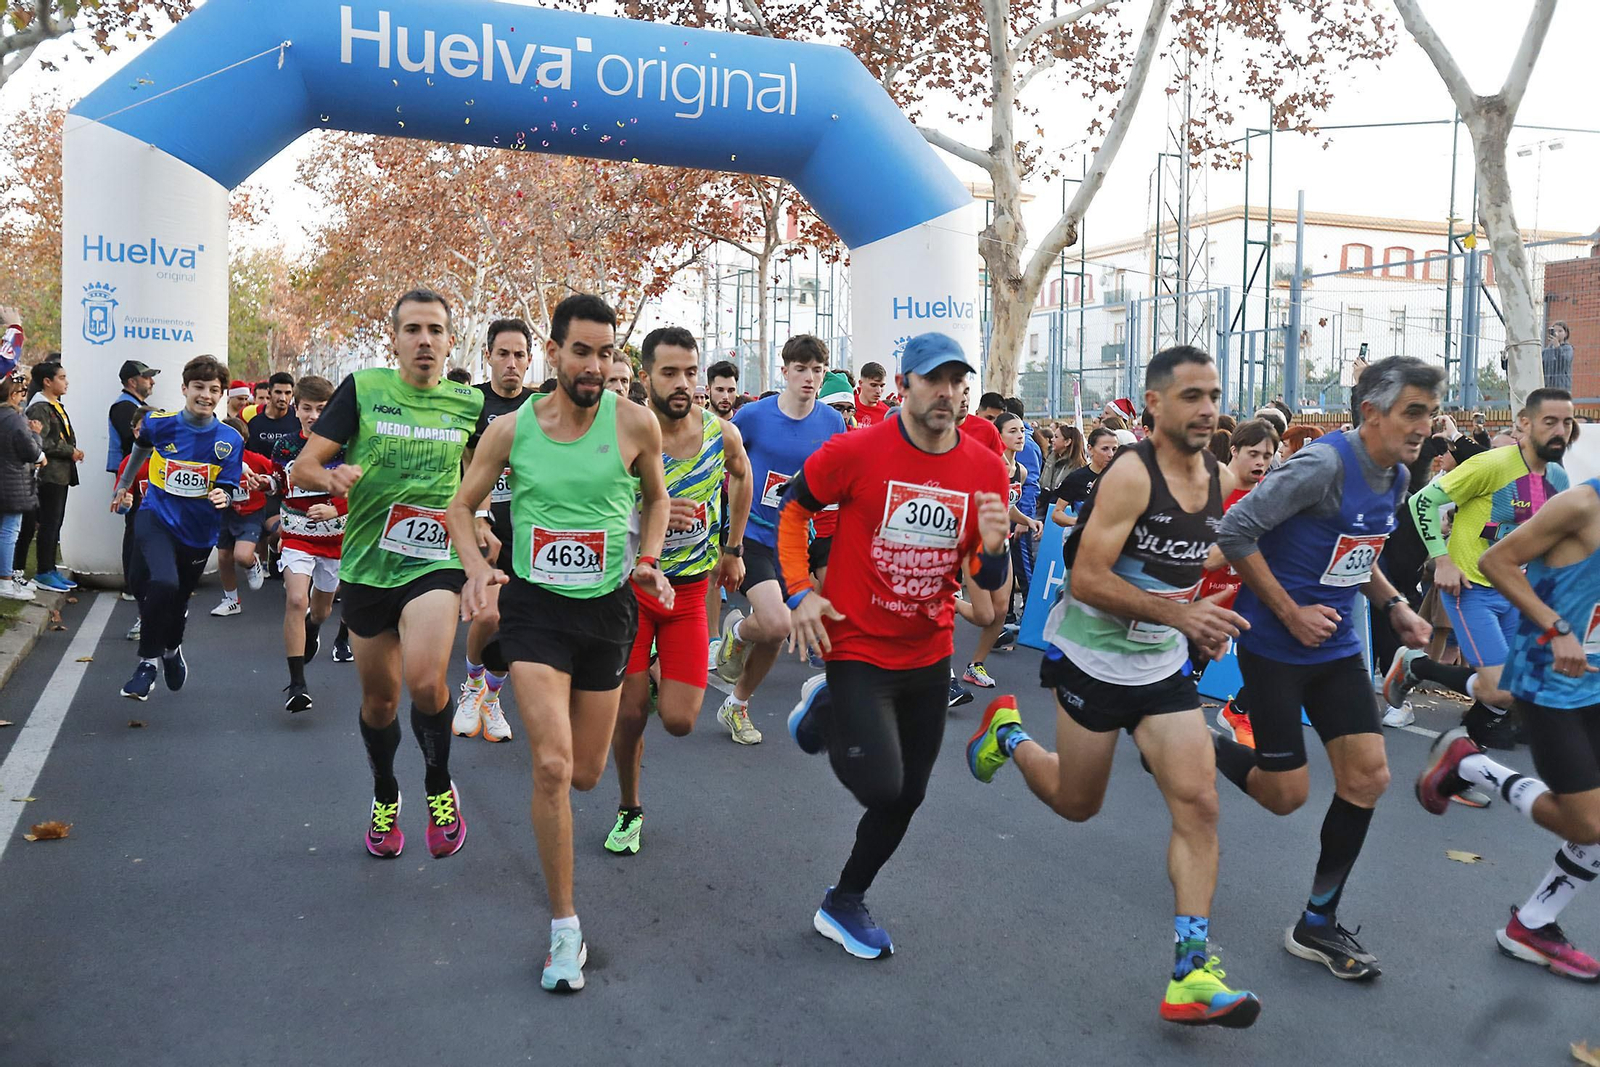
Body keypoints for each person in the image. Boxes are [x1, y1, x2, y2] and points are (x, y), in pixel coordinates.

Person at [967, 345, 1262, 1028]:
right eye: (1191, 394)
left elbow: (1196, 558)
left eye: (1213, 393)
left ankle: (1191, 968)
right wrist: (1181, 613)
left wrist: (1201, 618)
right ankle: (1008, 733)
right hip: (1092, 657)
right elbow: (1087, 578)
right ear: (1154, 404)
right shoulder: (1131, 476)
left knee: (1200, 801)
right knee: (1078, 803)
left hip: (1159, 665)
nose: (1208, 407)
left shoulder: (1219, 476)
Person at [446, 292, 671, 993]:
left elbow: (657, 498)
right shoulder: (512, 430)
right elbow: (461, 503)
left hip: (605, 613)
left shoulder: (635, 423)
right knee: (549, 766)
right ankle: (564, 929)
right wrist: (481, 568)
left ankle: (489, 661)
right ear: (555, 352)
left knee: (585, 774)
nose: (596, 365)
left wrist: (648, 558)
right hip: (536, 609)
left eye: (608, 353)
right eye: (583, 351)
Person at [1209, 356, 1440, 981]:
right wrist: (1289, 612)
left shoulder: (1393, 476)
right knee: (1285, 797)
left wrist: (1393, 606)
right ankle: (1196, 745)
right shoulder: (1322, 465)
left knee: (1367, 778)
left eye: (1431, 412)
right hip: (1278, 649)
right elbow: (1235, 532)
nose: (1426, 425)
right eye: (1412, 411)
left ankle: (1317, 922)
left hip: (1336, 651)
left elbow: (1355, 556)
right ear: (1371, 412)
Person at [780, 331, 1011, 959]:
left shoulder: (985, 467)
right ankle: (828, 706)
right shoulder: (856, 450)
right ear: (905, 385)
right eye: (934, 379)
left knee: (910, 793)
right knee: (882, 786)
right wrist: (800, 592)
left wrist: (993, 551)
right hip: (856, 644)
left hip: (928, 651)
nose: (948, 392)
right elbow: (796, 509)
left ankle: (844, 900)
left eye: (958, 382)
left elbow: (987, 579)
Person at [290, 289, 484, 863]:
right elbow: (305, 464)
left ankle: (437, 785)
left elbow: (478, 483)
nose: (425, 340)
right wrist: (333, 478)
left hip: (435, 562)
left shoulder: (467, 405)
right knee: (380, 702)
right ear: (395, 339)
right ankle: (384, 793)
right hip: (369, 565)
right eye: (413, 330)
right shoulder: (364, 389)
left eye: (435, 330)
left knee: (426, 684)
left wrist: (484, 523)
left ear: (450, 340)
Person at [1416, 477, 1600, 981]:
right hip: (1552, 679)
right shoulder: (1583, 504)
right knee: (1587, 824)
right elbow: (1498, 561)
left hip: (1596, 681)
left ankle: (1534, 924)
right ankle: (1471, 764)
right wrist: (1556, 628)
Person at [605, 326, 751, 855]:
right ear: (645, 378)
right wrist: (647, 515)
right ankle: (629, 807)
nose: (683, 383)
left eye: (691, 371)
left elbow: (742, 476)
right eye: (670, 373)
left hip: (688, 594)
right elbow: (591, 507)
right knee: (629, 714)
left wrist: (732, 548)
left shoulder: (720, 433)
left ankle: (659, 674)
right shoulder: (623, 435)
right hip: (630, 592)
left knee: (681, 721)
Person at [1387, 388, 1575, 750]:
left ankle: (1469, 744)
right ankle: (1416, 667)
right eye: (1549, 421)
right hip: (1470, 586)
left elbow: (1552, 538)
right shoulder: (1491, 465)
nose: (1559, 430)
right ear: (1524, 423)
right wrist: (1441, 559)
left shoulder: (1558, 479)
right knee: (1501, 687)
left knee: (1511, 686)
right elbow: (1422, 500)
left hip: (1515, 590)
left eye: (1566, 423)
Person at [713, 335, 847, 743]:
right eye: (801, 369)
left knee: (774, 634)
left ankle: (736, 704)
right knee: (776, 623)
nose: (809, 378)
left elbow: (837, 480)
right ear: (785, 371)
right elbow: (719, 458)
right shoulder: (753, 416)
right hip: (750, 533)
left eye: (817, 370)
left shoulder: (832, 422)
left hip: (795, 539)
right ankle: (736, 633)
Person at [112, 355, 245, 701]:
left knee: (178, 597)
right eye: (199, 387)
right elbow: (139, 451)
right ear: (184, 389)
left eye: (214, 390)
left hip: (199, 530)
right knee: (162, 581)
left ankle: (171, 650)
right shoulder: (160, 424)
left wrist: (224, 496)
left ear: (221, 394)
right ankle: (147, 664)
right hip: (155, 515)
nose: (205, 395)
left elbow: (230, 485)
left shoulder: (230, 439)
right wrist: (123, 486)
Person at [453, 318, 536, 744]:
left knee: (516, 626)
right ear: (487, 356)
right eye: (503, 354)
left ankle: (492, 696)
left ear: (530, 358)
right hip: (483, 529)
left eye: (519, 354)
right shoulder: (470, 404)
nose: (511, 363)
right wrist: (480, 515)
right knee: (489, 615)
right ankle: (471, 685)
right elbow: (466, 463)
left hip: (532, 534)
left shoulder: (541, 406)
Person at [266, 375, 347, 712]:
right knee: (297, 600)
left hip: (335, 539)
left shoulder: (345, 445)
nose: (314, 415)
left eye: (321, 409)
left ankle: (313, 628)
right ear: (296, 409)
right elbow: (279, 481)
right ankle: (297, 685)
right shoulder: (285, 446)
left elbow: (361, 489)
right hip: (297, 534)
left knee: (322, 610)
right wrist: (265, 482)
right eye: (307, 408)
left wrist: (335, 507)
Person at [1202, 418, 1281, 749]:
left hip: (1249, 595)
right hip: (1204, 597)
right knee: (1178, 677)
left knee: (1279, 654)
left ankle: (1238, 711)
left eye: (1268, 454)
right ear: (1234, 450)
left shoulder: (1271, 497)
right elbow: (1203, 557)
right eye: (1254, 453)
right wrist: (1242, 543)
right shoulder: (1209, 490)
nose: (1261, 461)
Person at [959, 411, 1039, 689]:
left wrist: (1026, 519)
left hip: (1001, 542)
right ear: (998, 436)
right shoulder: (988, 465)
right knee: (984, 615)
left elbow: (1008, 505)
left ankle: (975, 665)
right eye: (1013, 431)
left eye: (1022, 431)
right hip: (976, 540)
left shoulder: (1022, 471)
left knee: (1001, 611)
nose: (1020, 436)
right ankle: (946, 600)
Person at [17, 361, 81, 592]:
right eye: (61, 377)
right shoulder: (40, 407)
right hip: (49, 474)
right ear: (47, 381)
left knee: (56, 523)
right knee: (48, 523)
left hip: (61, 474)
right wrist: (69, 451)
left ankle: (51, 568)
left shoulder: (55, 405)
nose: (66, 382)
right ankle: (43, 571)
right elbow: (41, 441)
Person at [207, 416, 274, 617]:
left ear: (243, 441)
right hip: (225, 513)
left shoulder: (256, 460)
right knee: (224, 556)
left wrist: (266, 482)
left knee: (241, 556)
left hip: (251, 512)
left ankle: (253, 563)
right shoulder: (213, 461)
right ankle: (231, 600)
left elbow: (276, 477)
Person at [245, 371, 301, 576]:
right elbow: (247, 456)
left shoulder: (297, 420)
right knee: (273, 528)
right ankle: (269, 549)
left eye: (288, 393)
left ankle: (277, 551)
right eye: (278, 392)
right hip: (264, 487)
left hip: (292, 486)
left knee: (286, 529)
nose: (283, 397)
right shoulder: (256, 424)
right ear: (269, 393)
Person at [0, 375, 43, 602]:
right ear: (14, 395)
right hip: (11, 481)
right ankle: (5, 580)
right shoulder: (14, 418)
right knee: (9, 531)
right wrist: (37, 437)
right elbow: (29, 450)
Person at [1049, 426, 1117, 527]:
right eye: (1105, 449)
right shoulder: (1077, 478)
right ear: (1090, 449)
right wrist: (1080, 522)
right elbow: (1057, 514)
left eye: (1114, 449)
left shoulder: (1122, 476)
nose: (1111, 454)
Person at [853, 361, 889, 427]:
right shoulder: (849, 406)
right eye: (873, 385)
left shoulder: (886, 414)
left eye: (882, 386)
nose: (878, 391)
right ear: (861, 383)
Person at [1542, 321, 1574, 393]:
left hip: (1562, 389)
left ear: (1566, 334)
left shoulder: (1568, 348)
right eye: (1554, 331)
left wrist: (1557, 347)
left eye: (1560, 331)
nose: (1557, 333)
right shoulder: (1546, 351)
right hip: (1547, 389)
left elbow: (1564, 361)